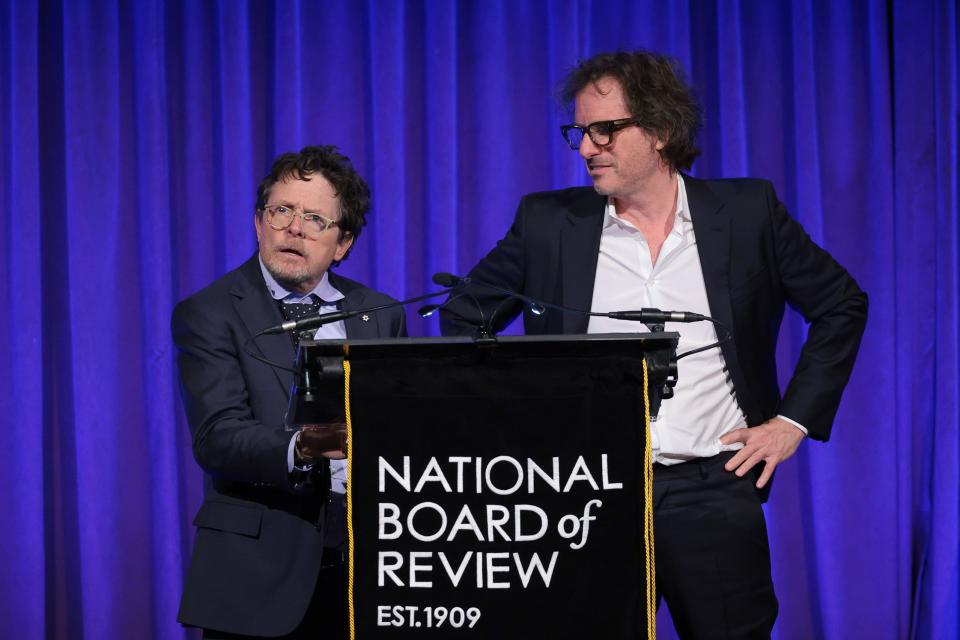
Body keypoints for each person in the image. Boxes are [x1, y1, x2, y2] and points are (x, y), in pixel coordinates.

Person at [440, 51, 867, 638]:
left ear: (662, 132)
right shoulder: (546, 224)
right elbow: (465, 316)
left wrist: (792, 421)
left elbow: (841, 304)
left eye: (605, 130)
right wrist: (527, 420)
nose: (587, 148)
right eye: (580, 132)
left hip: (712, 492)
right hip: (585, 498)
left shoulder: (747, 214)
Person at [172, 146, 405, 639]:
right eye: (282, 211)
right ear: (259, 223)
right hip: (258, 574)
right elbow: (217, 437)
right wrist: (311, 445)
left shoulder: (380, 314)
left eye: (316, 218)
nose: (294, 228)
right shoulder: (211, 313)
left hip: (367, 573)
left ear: (342, 244)